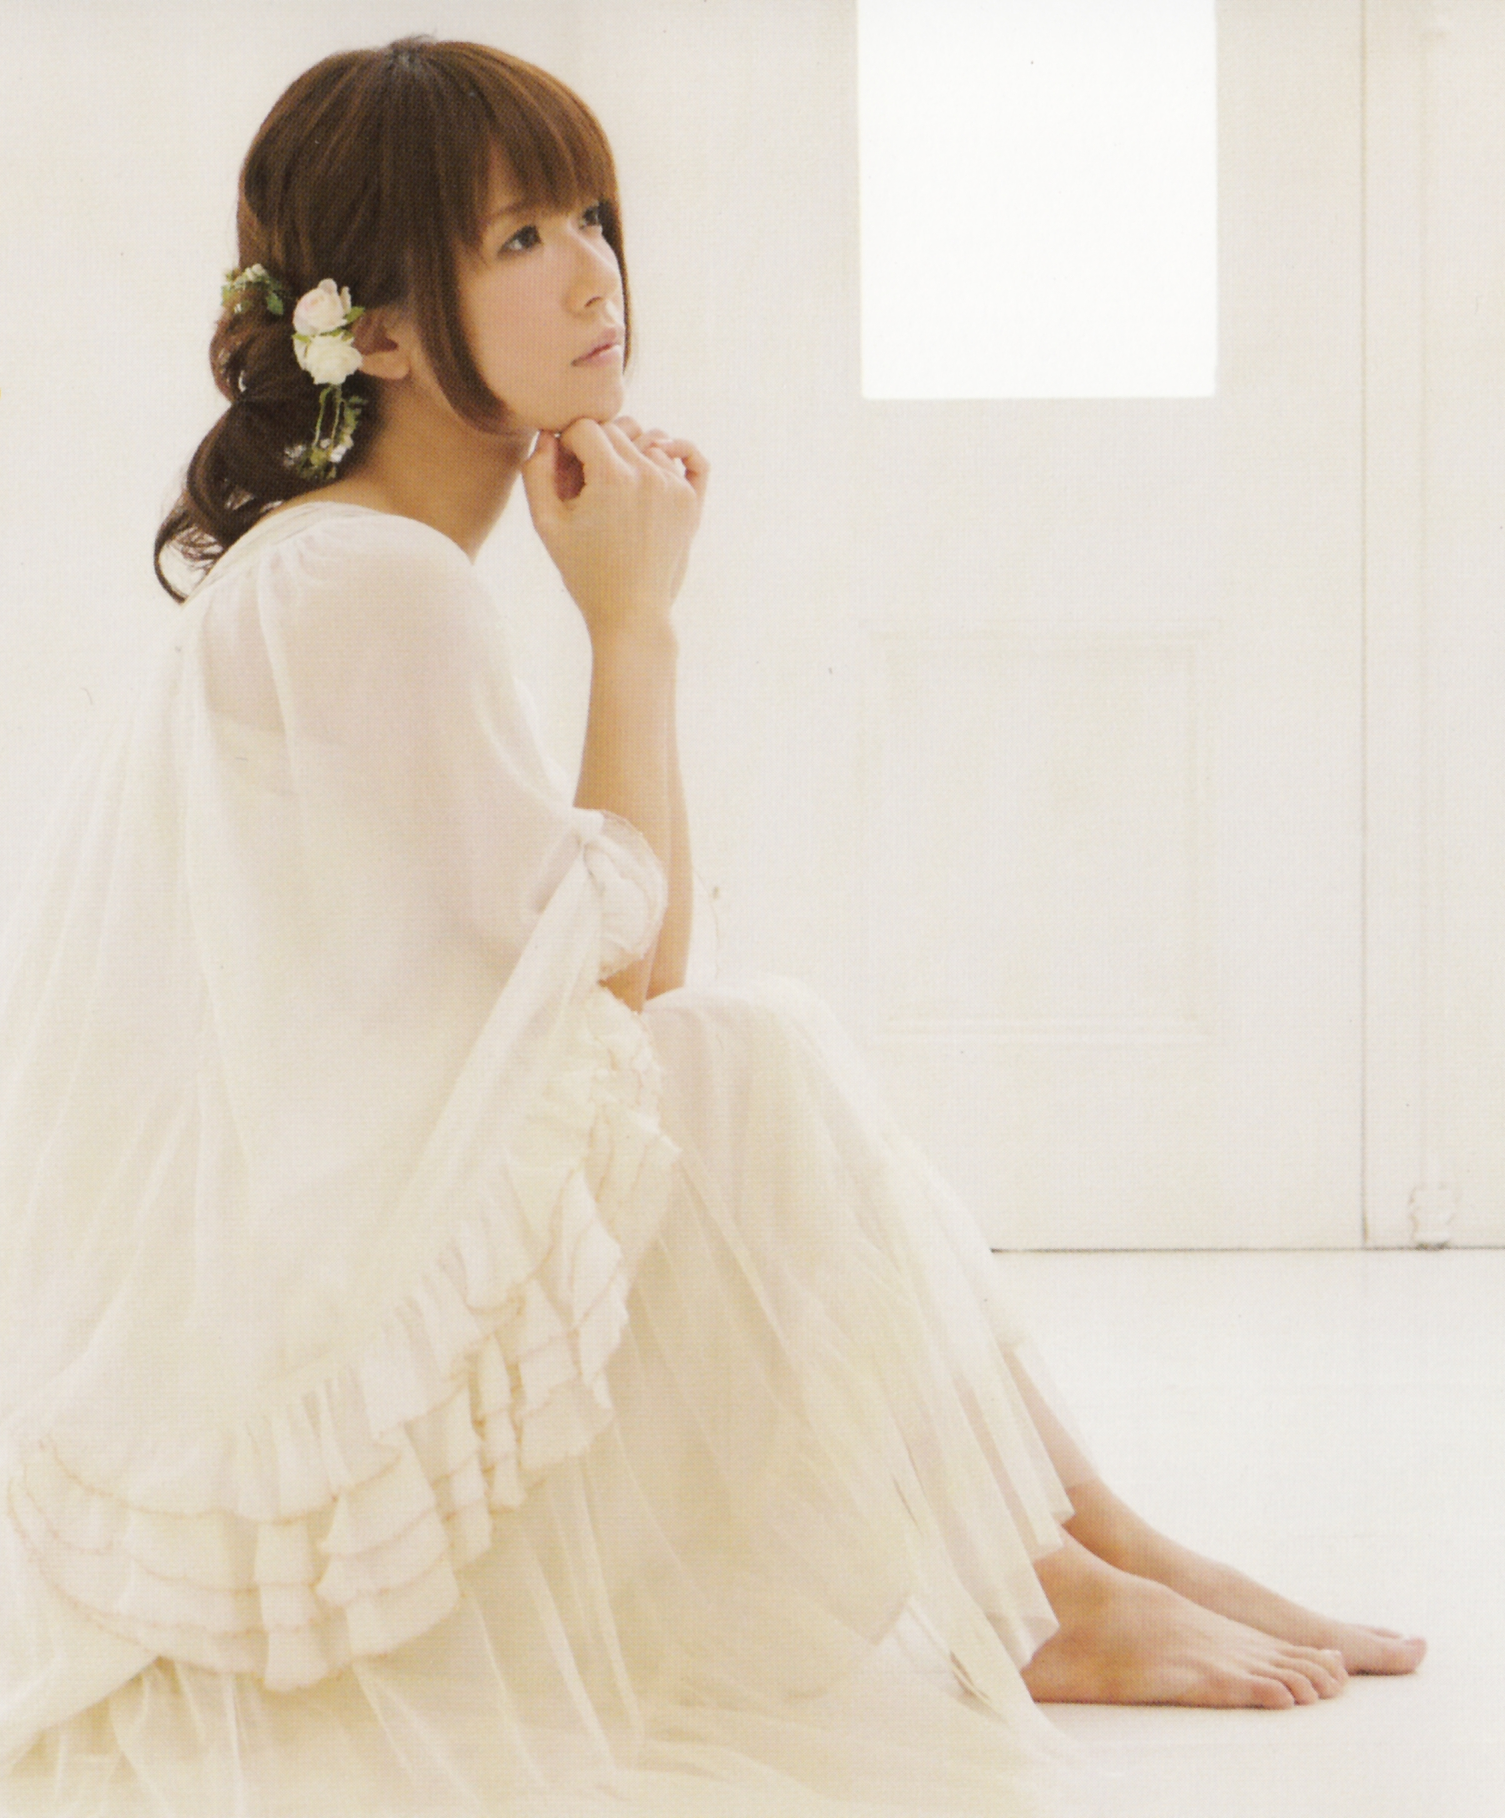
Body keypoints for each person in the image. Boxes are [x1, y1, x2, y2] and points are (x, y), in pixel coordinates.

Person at [0, 36, 1422, 1818]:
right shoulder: (372, 578)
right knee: (745, 1054)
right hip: (333, 1381)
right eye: (519, 239)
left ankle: (1096, 1543)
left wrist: (626, 612)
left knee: (735, 1053)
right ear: (380, 333)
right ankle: (1047, 1580)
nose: (594, 269)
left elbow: (612, 977)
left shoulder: (349, 564)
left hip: (333, 1286)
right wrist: (634, 622)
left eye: (589, 215)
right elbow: (632, 985)